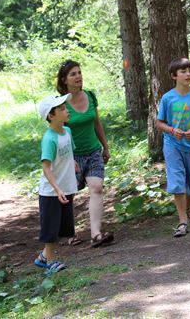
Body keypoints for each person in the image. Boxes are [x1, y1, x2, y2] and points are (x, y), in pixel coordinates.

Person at [56, 60, 114, 248]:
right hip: (72, 155)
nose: (78, 76)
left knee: (96, 187)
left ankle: (96, 234)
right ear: (64, 80)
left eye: (79, 72)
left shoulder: (90, 96)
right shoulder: (61, 103)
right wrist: (68, 159)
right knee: (69, 193)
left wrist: (105, 146)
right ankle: (69, 233)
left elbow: (97, 123)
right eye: (73, 74)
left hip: (93, 152)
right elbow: (59, 132)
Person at [155, 57, 190, 237]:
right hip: (172, 145)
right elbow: (159, 122)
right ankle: (183, 221)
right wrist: (171, 130)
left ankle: (187, 209)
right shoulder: (167, 98)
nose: (188, 74)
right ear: (173, 76)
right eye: (183, 71)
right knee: (177, 182)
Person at [34, 94, 77, 275]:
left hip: (66, 187)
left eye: (66, 108)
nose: (66, 111)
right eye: (61, 109)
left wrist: (73, 164)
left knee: (61, 227)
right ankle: (49, 262)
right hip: (52, 191)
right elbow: (46, 167)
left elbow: (68, 153)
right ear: (51, 116)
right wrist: (57, 188)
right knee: (51, 229)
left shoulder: (67, 131)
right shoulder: (50, 139)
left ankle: (44, 257)